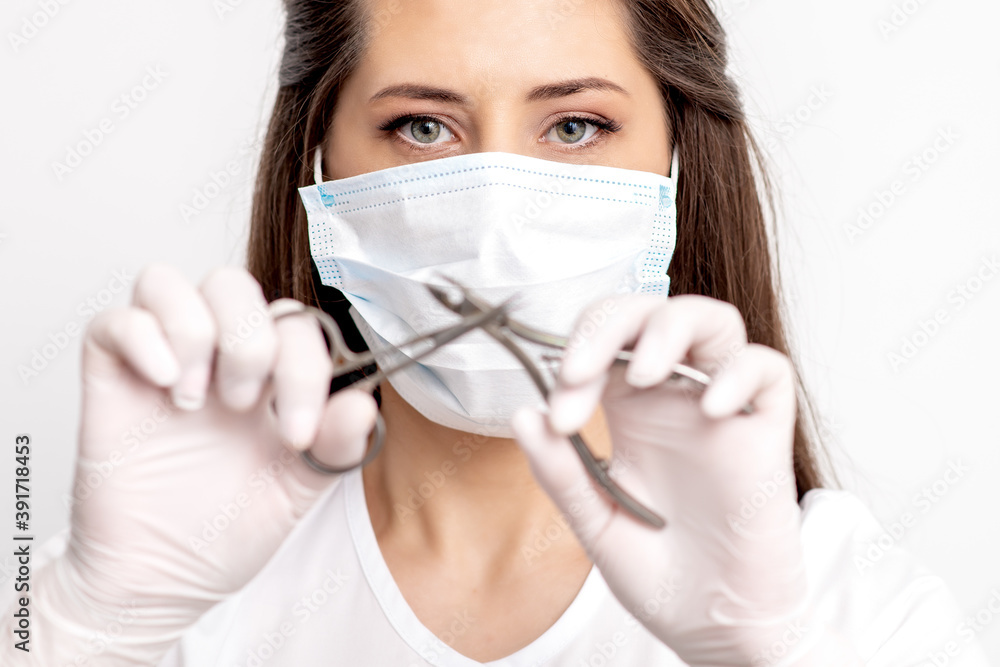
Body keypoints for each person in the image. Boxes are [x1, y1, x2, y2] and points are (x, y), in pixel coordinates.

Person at [1, 0, 990, 665]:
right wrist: (82, 623)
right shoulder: (164, 567)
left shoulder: (844, 605)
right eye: (423, 126)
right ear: (319, 164)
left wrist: (768, 653)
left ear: (680, 167)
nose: (499, 221)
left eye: (574, 127)